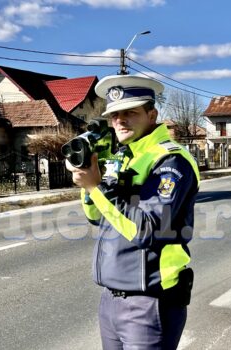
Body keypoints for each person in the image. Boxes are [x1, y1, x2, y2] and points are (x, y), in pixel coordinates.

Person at [66, 75, 200, 350]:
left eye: (131, 112)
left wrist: (96, 187)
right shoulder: (125, 157)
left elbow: (147, 228)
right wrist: (89, 180)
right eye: (115, 114)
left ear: (152, 115)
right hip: (111, 300)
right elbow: (98, 217)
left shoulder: (170, 160)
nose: (120, 120)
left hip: (149, 301)